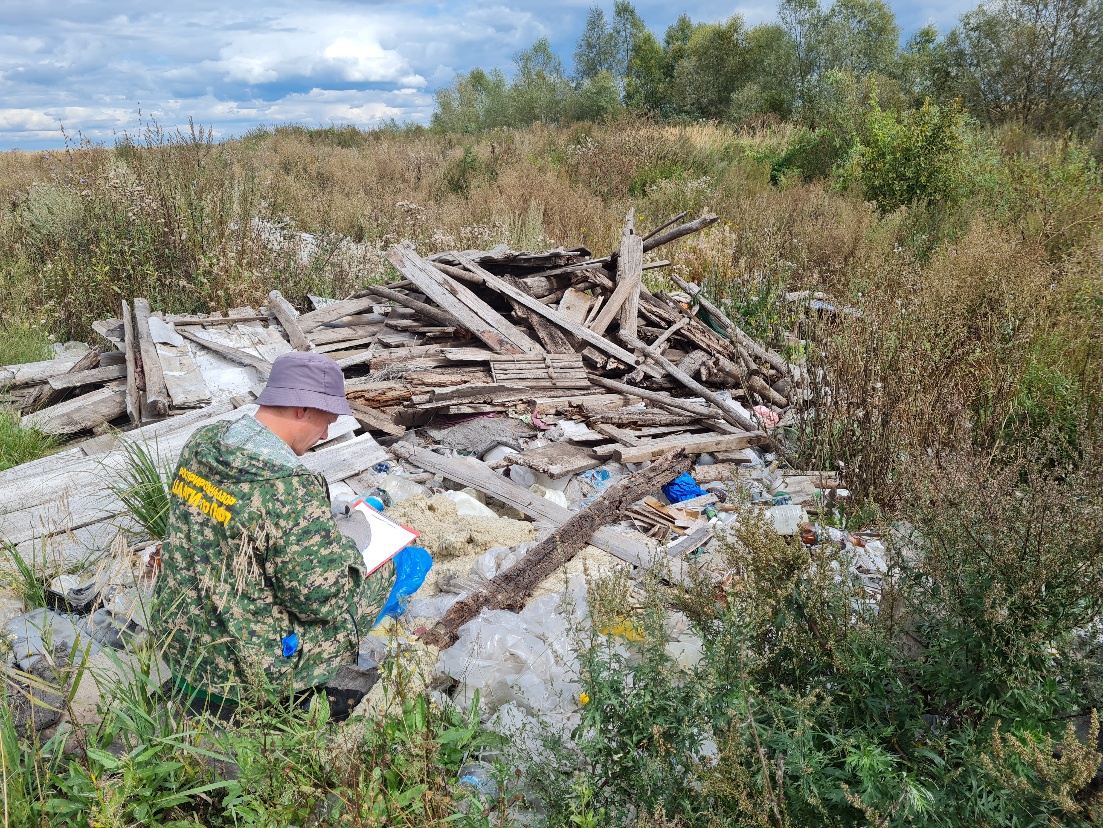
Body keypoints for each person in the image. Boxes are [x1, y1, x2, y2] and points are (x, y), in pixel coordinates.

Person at [153, 351, 395, 720]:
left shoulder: (204, 443)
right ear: (301, 408)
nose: (326, 434)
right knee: (387, 569)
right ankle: (301, 692)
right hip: (241, 673)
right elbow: (321, 601)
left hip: (181, 638)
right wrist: (347, 545)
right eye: (326, 420)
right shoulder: (288, 487)